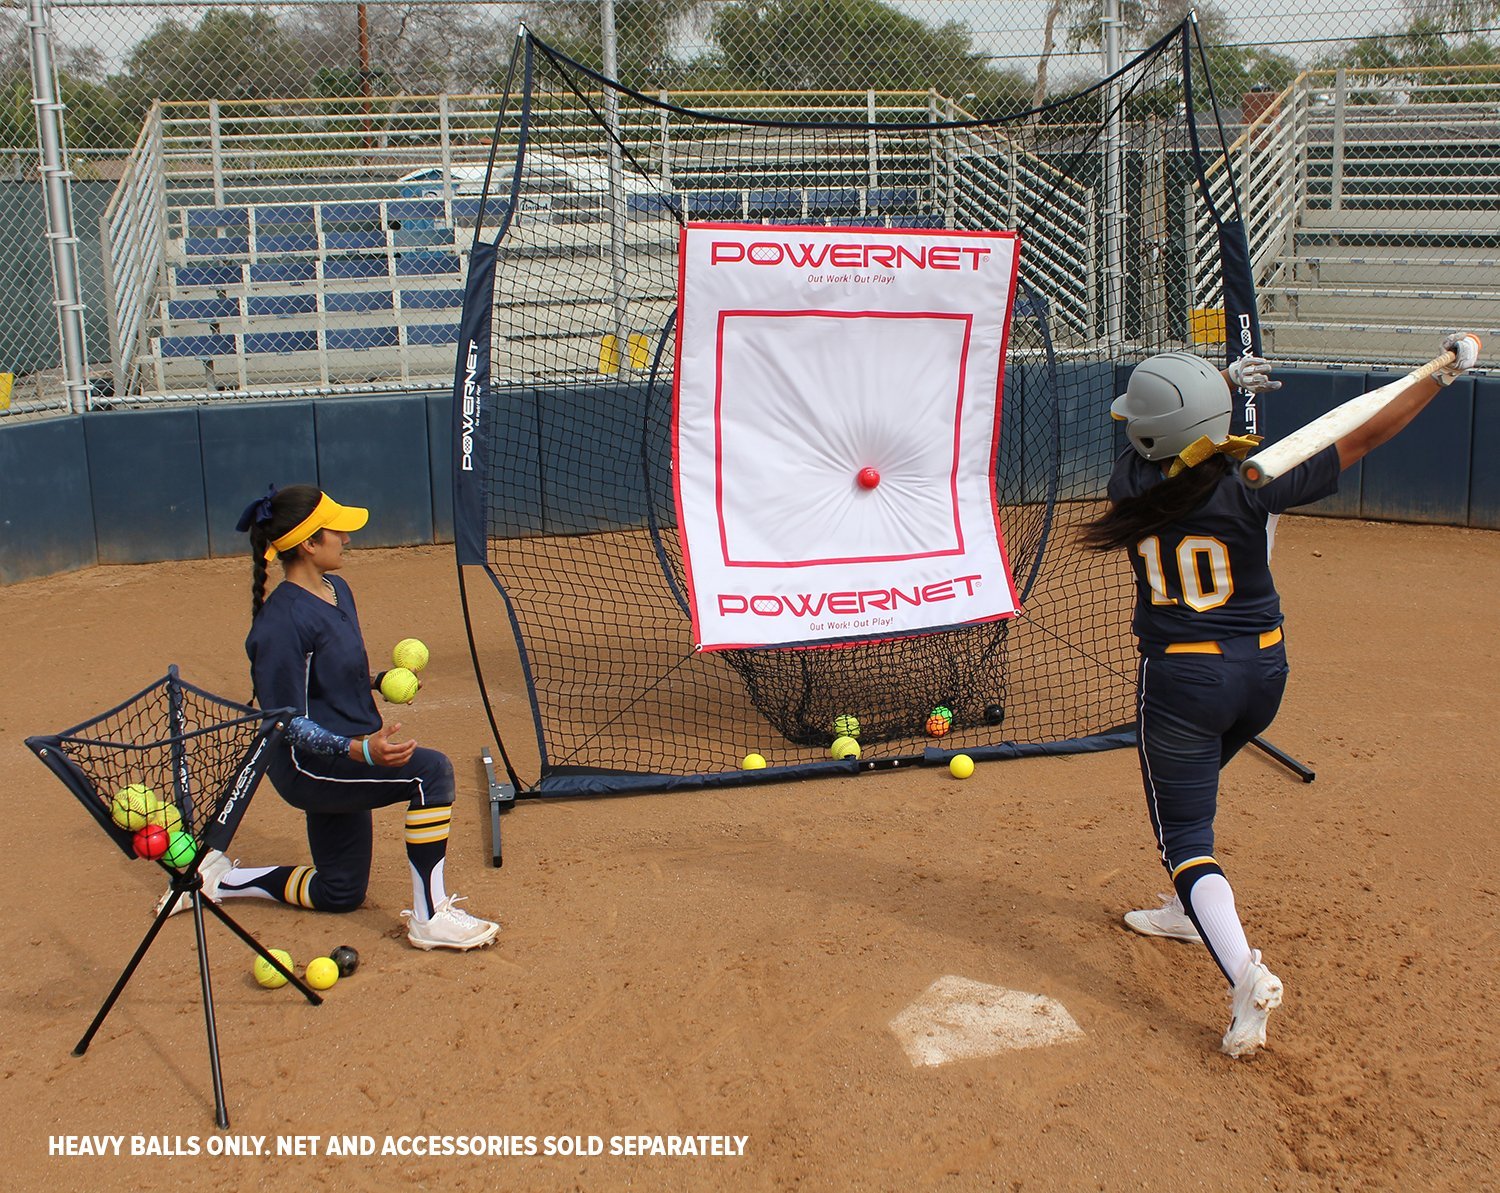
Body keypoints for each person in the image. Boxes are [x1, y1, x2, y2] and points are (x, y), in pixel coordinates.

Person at [1084, 333, 1480, 1057]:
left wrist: (1223, 394)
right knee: (1197, 795)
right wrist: (1440, 378)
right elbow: (1369, 430)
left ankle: (1243, 974)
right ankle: (1185, 911)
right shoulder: (1258, 483)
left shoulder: (1128, 488)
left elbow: (1158, 448)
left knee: (1186, 841)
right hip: (1264, 675)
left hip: (1182, 682)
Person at [157, 483, 499, 951]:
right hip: (310, 766)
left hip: (348, 748)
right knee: (430, 773)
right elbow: (285, 722)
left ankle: (220, 879)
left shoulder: (337, 589)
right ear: (308, 544)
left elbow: (330, 674)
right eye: (336, 531)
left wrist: (379, 681)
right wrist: (358, 750)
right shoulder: (279, 625)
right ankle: (430, 915)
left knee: (340, 891)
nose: (348, 538)